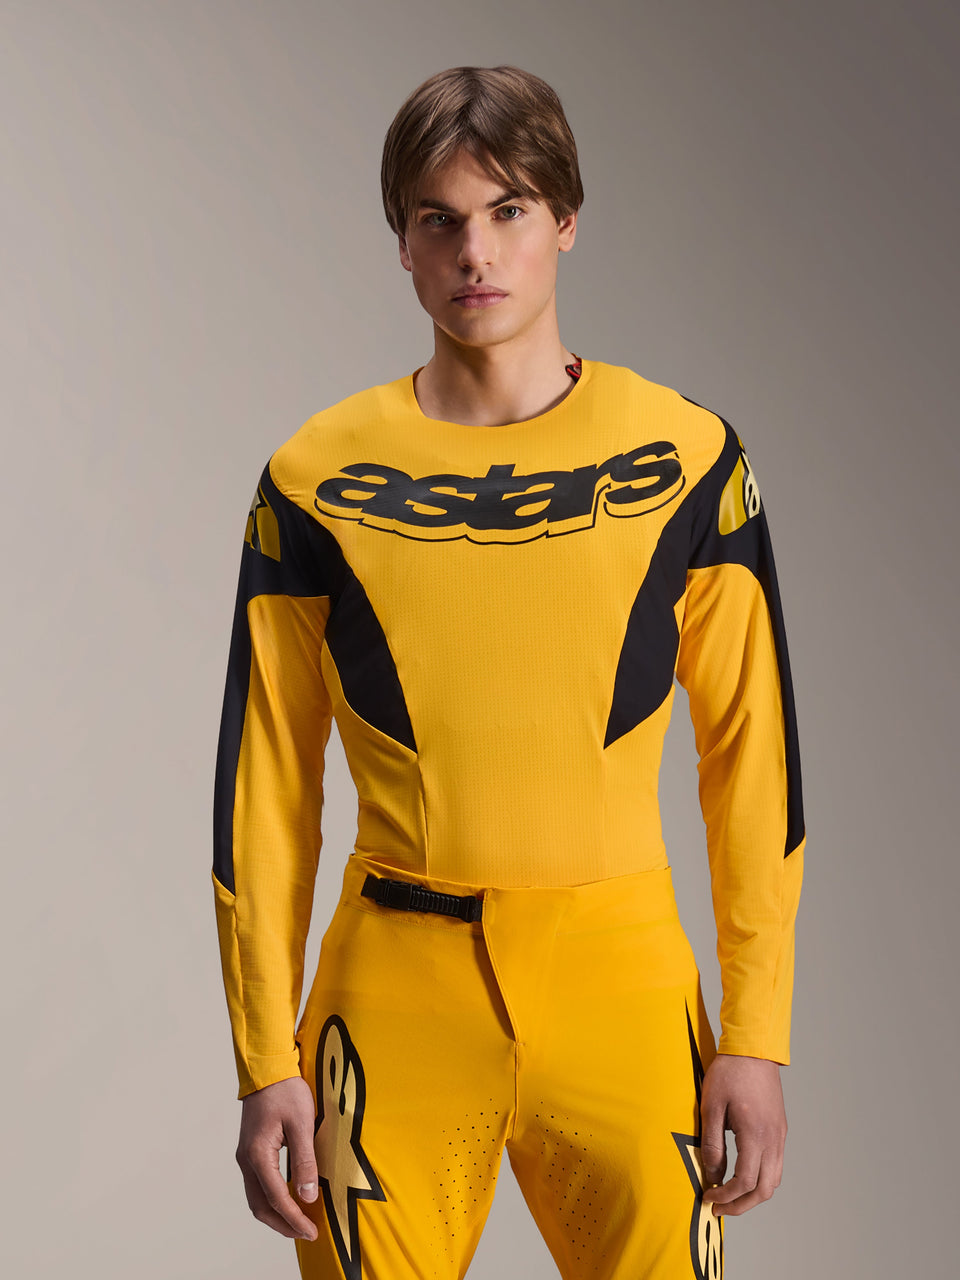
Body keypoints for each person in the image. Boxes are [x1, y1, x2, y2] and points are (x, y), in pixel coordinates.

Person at [212, 64, 805, 1280]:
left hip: (623, 986)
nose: (475, 252)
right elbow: (265, 780)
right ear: (403, 243)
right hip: (394, 998)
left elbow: (753, 756)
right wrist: (263, 1057)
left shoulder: (687, 455)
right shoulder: (314, 476)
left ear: (566, 221)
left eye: (510, 210)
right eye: (439, 219)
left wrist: (757, 1030)